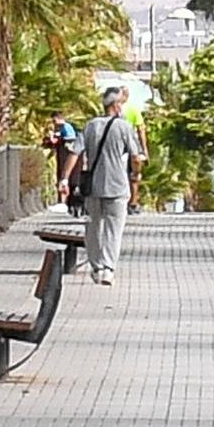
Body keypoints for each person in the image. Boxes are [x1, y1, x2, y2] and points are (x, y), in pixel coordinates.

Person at [80, 86, 145, 286]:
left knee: (93, 228)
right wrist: (136, 172)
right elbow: (135, 156)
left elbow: (76, 152)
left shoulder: (90, 125)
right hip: (117, 187)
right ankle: (108, 269)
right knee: (113, 229)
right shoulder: (124, 127)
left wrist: (65, 179)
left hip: (93, 188)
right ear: (117, 106)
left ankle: (96, 266)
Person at [42, 112, 82, 208]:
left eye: (54, 121)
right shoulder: (67, 127)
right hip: (69, 152)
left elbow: (57, 138)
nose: (54, 123)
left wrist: (52, 138)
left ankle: (64, 201)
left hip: (67, 151)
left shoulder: (63, 126)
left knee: (65, 176)